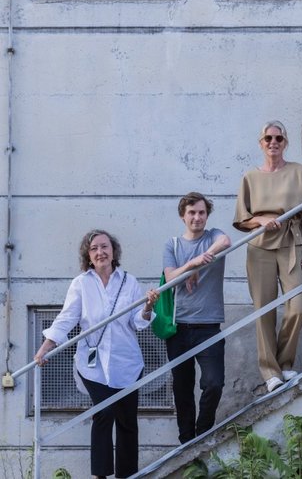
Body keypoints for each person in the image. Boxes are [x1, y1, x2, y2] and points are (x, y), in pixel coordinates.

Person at [34, 230, 158, 479]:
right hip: (93, 364)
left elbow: (137, 323)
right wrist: (45, 347)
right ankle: (100, 475)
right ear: (88, 256)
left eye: (105, 247)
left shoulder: (129, 281)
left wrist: (147, 307)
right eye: (94, 249)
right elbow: (67, 317)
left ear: (114, 251)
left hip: (127, 363)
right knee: (104, 413)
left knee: (127, 422)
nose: (100, 252)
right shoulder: (81, 283)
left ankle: (127, 475)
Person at [233, 121, 302, 394]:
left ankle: (284, 362)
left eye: (278, 138)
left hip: (292, 244)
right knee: (264, 310)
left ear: (285, 142)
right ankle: (270, 372)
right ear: (261, 143)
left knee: (298, 307)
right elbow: (242, 219)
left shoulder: (297, 172)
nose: (273, 142)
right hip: (260, 247)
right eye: (268, 138)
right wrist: (260, 219)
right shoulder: (250, 177)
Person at [162, 192, 231, 443]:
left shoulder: (212, 235)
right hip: (179, 327)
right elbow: (170, 279)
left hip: (209, 326)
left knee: (214, 383)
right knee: (182, 387)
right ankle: (186, 440)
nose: (197, 217)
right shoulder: (173, 245)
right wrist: (192, 264)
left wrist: (202, 261)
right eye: (192, 212)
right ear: (183, 216)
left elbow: (226, 240)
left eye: (201, 212)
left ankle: (203, 432)